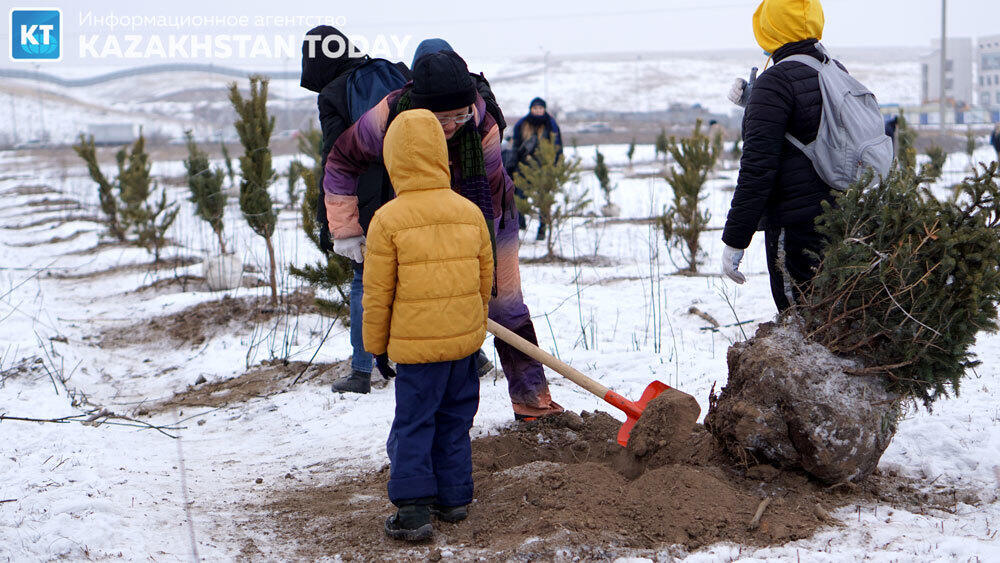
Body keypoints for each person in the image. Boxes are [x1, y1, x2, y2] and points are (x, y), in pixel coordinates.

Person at [324, 50, 564, 420]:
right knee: (430, 306)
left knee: (505, 305)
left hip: (487, 216)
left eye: (459, 115)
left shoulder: (483, 125)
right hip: (417, 218)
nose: (453, 125)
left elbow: (490, 198)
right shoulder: (391, 115)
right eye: (442, 118)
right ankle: (435, 411)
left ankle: (531, 400)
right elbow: (341, 160)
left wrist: (469, 258)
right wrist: (346, 230)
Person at [363, 108, 492, 541]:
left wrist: (376, 348)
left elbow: (377, 295)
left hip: (417, 352)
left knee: (415, 422)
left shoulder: (388, 220)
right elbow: (484, 280)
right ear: (440, 153)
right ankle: (454, 500)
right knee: (456, 419)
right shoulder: (469, 211)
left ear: (394, 159)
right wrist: (472, 327)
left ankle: (414, 511)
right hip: (463, 345)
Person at [300, 26, 410, 393]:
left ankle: (361, 372)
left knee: (365, 279)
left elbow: (334, 157)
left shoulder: (333, 93)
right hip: (409, 186)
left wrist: (326, 215)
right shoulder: (393, 71)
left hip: (364, 198)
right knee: (420, 273)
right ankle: (471, 357)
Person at [720, 0, 837, 312]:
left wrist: (735, 239)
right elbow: (807, 122)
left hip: (796, 225)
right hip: (842, 217)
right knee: (834, 314)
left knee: (799, 319)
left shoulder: (775, 82)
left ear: (768, 26)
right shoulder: (833, 70)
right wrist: (754, 102)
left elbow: (757, 169)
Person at [511, 97, 562, 241]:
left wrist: (557, 164)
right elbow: (516, 146)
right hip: (524, 165)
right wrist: (514, 163)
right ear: (531, 109)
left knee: (544, 200)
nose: (538, 111)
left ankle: (542, 229)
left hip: (544, 166)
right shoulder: (522, 124)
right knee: (519, 195)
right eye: (535, 108)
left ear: (544, 110)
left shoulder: (551, 124)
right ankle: (520, 224)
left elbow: (557, 146)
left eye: (540, 108)